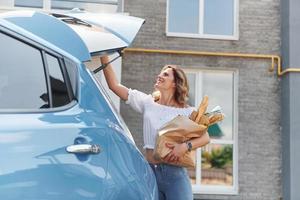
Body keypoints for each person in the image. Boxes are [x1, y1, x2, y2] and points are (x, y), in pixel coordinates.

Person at [100, 56, 210, 200]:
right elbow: (114, 85)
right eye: (160, 73)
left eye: (165, 74)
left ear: (175, 83)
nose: (159, 76)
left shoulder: (188, 112)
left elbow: (205, 137)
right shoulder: (148, 103)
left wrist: (185, 146)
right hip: (149, 173)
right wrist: (104, 57)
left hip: (176, 176)